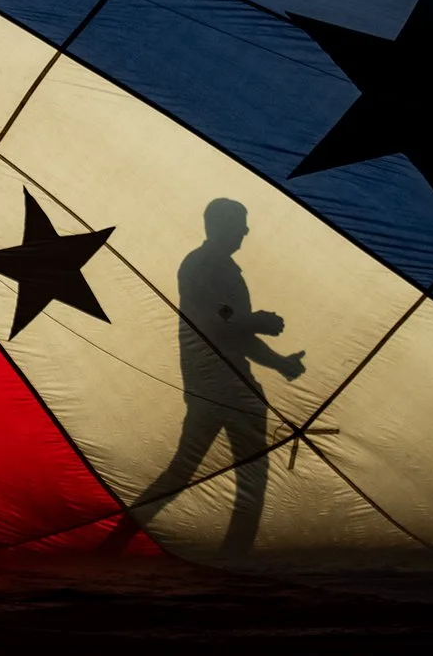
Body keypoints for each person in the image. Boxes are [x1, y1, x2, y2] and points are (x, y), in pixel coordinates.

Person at [130, 198, 304, 555]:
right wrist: (256, 322)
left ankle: (119, 537)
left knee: (191, 470)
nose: (245, 231)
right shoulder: (205, 267)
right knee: (249, 475)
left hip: (220, 386)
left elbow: (232, 326)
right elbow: (217, 320)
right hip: (222, 388)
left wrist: (279, 361)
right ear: (220, 225)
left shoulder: (214, 267)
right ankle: (236, 554)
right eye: (240, 223)